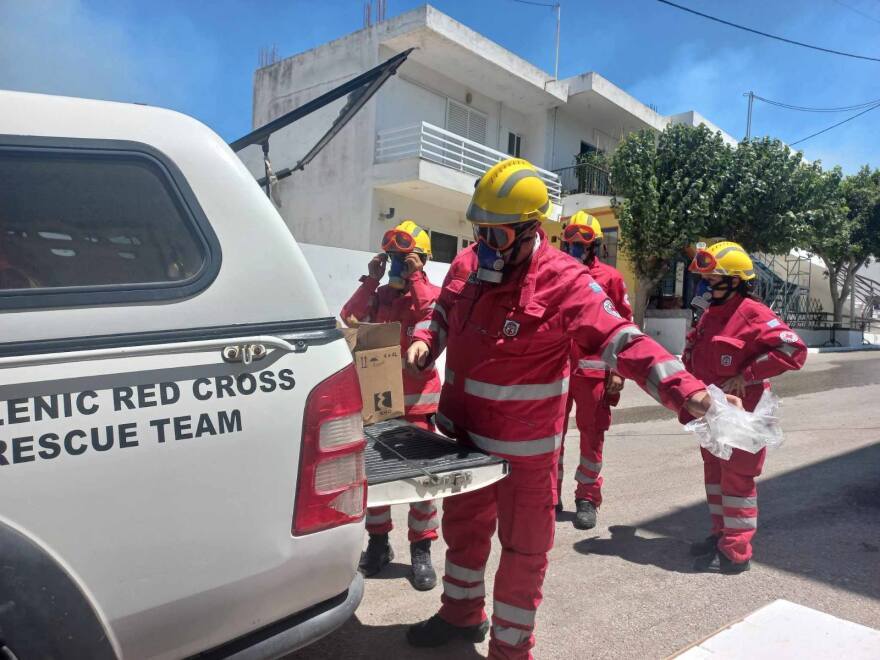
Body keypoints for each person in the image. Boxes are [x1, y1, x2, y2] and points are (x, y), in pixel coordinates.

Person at [404, 158, 739, 659]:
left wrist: (688, 392)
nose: (484, 245)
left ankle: (511, 647)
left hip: (523, 452)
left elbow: (621, 339)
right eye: (479, 232)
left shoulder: (565, 280)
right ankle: (461, 613)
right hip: (464, 442)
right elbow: (442, 311)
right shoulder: (470, 264)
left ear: (529, 229)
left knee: (523, 551)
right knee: (464, 532)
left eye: (496, 236)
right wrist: (425, 340)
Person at [683, 241, 807, 574]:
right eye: (705, 279)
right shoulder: (710, 314)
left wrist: (747, 374)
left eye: (713, 279)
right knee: (714, 477)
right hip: (713, 413)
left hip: (743, 414)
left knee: (737, 481)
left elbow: (794, 351)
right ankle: (720, 534)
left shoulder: (754, 314)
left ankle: (736, 551)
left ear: (736, 280)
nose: (706, 285)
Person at [340, 219, 442, 591]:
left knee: (421, 483)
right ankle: (379, 544)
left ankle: (421, 551)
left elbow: (433, 316)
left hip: (417, 407)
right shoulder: (381, 297)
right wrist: (372, 279)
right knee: (377, 482)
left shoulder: (429, 293)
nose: (398, 265)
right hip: (380, 407)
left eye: (404, 258)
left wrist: (414, 279)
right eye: (392, 258)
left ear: (421, 260)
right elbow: (349, 318)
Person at [557, 211, 632, 529]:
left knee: (592, 436)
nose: (574, 247)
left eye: (581, 242)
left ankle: (587, 497)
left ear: (595, 245)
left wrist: (618, 369)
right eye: (570, 241)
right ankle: (547, 496)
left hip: (592, 372)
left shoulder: (610, 279)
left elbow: (624, 326)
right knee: (549, 436)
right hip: (555, 370)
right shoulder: (554, 273)